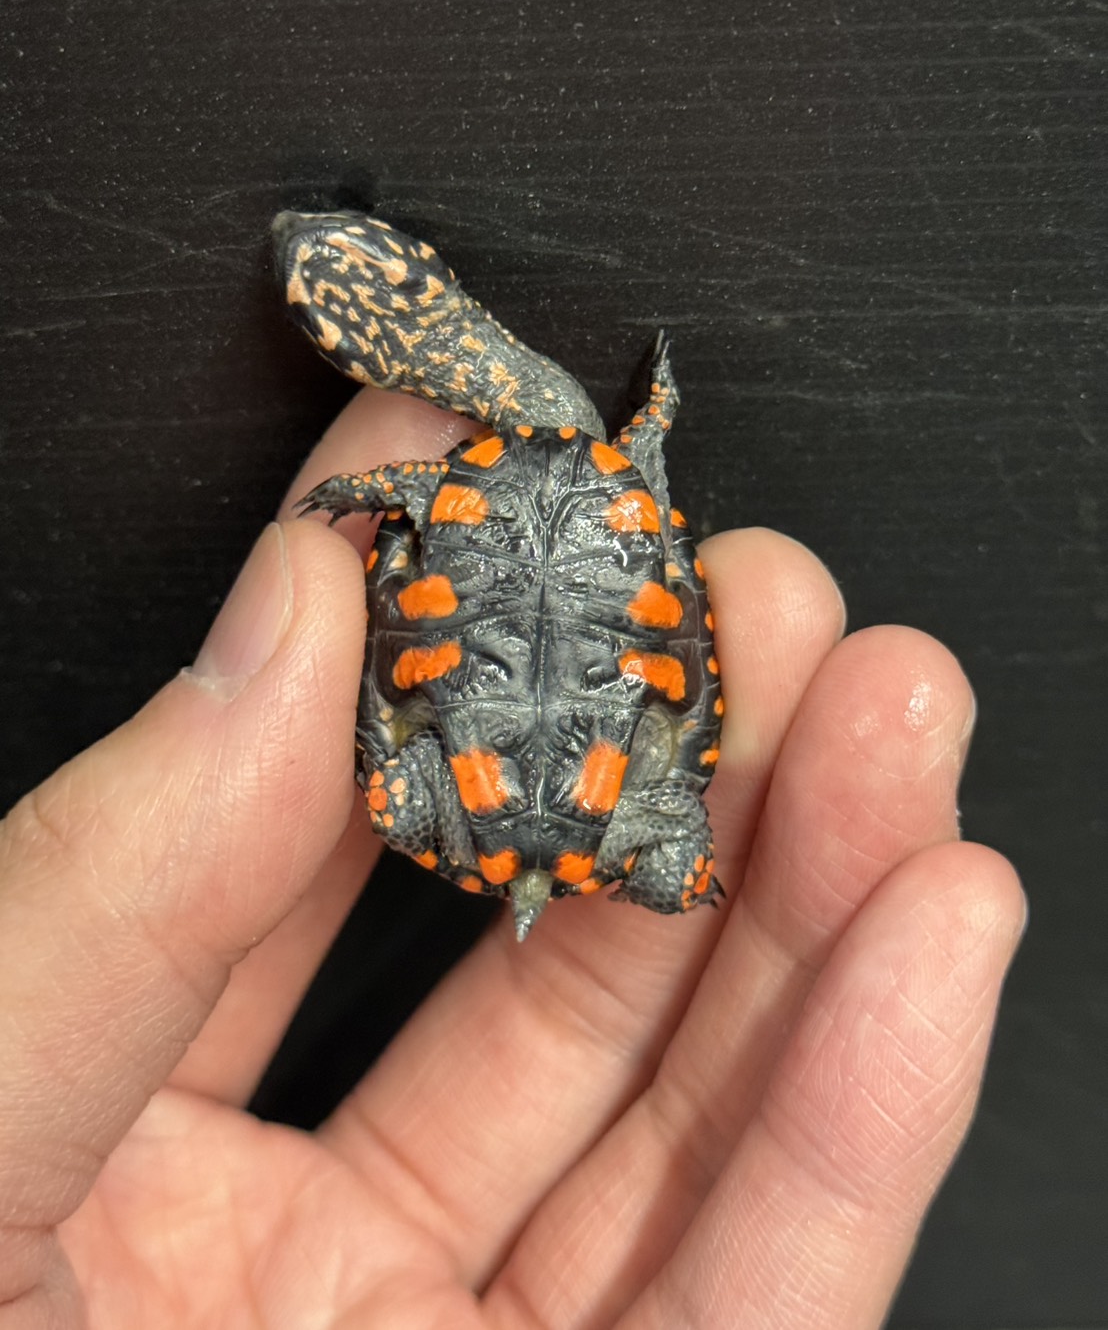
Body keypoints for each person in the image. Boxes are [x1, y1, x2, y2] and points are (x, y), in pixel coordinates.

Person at [0, 383, 1025, 1327]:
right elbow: (624, 742)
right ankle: (638, 442)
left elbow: (417, 772)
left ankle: (629, 446)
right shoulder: (602, 527)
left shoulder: (482, 525)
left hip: (503, 571)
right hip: (578, 586)